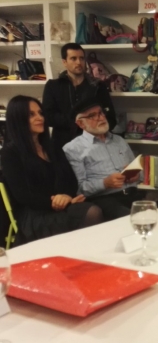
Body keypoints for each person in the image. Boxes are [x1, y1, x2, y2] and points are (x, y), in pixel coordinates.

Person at [0, 96, 103, 244]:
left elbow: (70, 179)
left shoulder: (52, 146)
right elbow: (23, 195)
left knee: (96, 208)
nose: (40, 118)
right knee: (91, 213)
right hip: (34, 215)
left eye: (40, 113)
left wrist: (66, 196)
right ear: (18, 119)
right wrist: (55, 202)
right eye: (31, 114)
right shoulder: (11, 153)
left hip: (61, 206)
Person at [63, 98, 144, 221]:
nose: (101, 118)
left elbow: (141, 175)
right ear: (80, 124)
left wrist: (136, 176)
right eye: (92, 116)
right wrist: (105, 183)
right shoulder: (73, 148)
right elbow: (79, 188)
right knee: (132, 218)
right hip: (104, 199)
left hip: (132, 193)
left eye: (101, 112)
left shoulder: (119, 140)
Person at [42, 43, 117, 151]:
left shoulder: (97, 86)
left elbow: (111, 118)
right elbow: (48, 117)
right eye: (73, 58)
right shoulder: (53, 86)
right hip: (62, 146)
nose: (79, 62)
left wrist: (92, 125)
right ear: (64, 62)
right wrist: (80, 121)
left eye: (81, 58)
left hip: (93, 146)